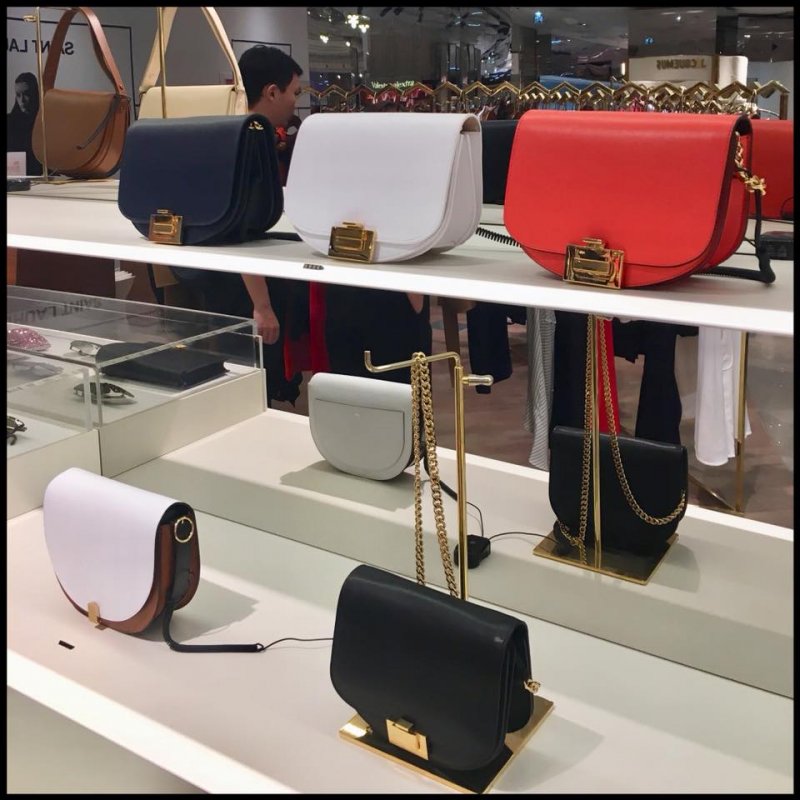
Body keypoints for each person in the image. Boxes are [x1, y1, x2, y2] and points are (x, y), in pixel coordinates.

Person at [181, 46, 305, 405]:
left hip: (222, 280)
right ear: (271, 91)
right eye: (294, 92)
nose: (295, 102)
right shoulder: (252, 139)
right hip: (246, 286)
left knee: (240, 376)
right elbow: (242, 233)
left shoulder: (223, 132)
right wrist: (262, 305)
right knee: (253, 379)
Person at [7, 72, 43, 175]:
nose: (22, 100)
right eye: (18, 95)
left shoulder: (45, 121)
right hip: (15, 179)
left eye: (27, 94)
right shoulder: (9, 122)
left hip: (43, 179)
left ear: (35, 94)